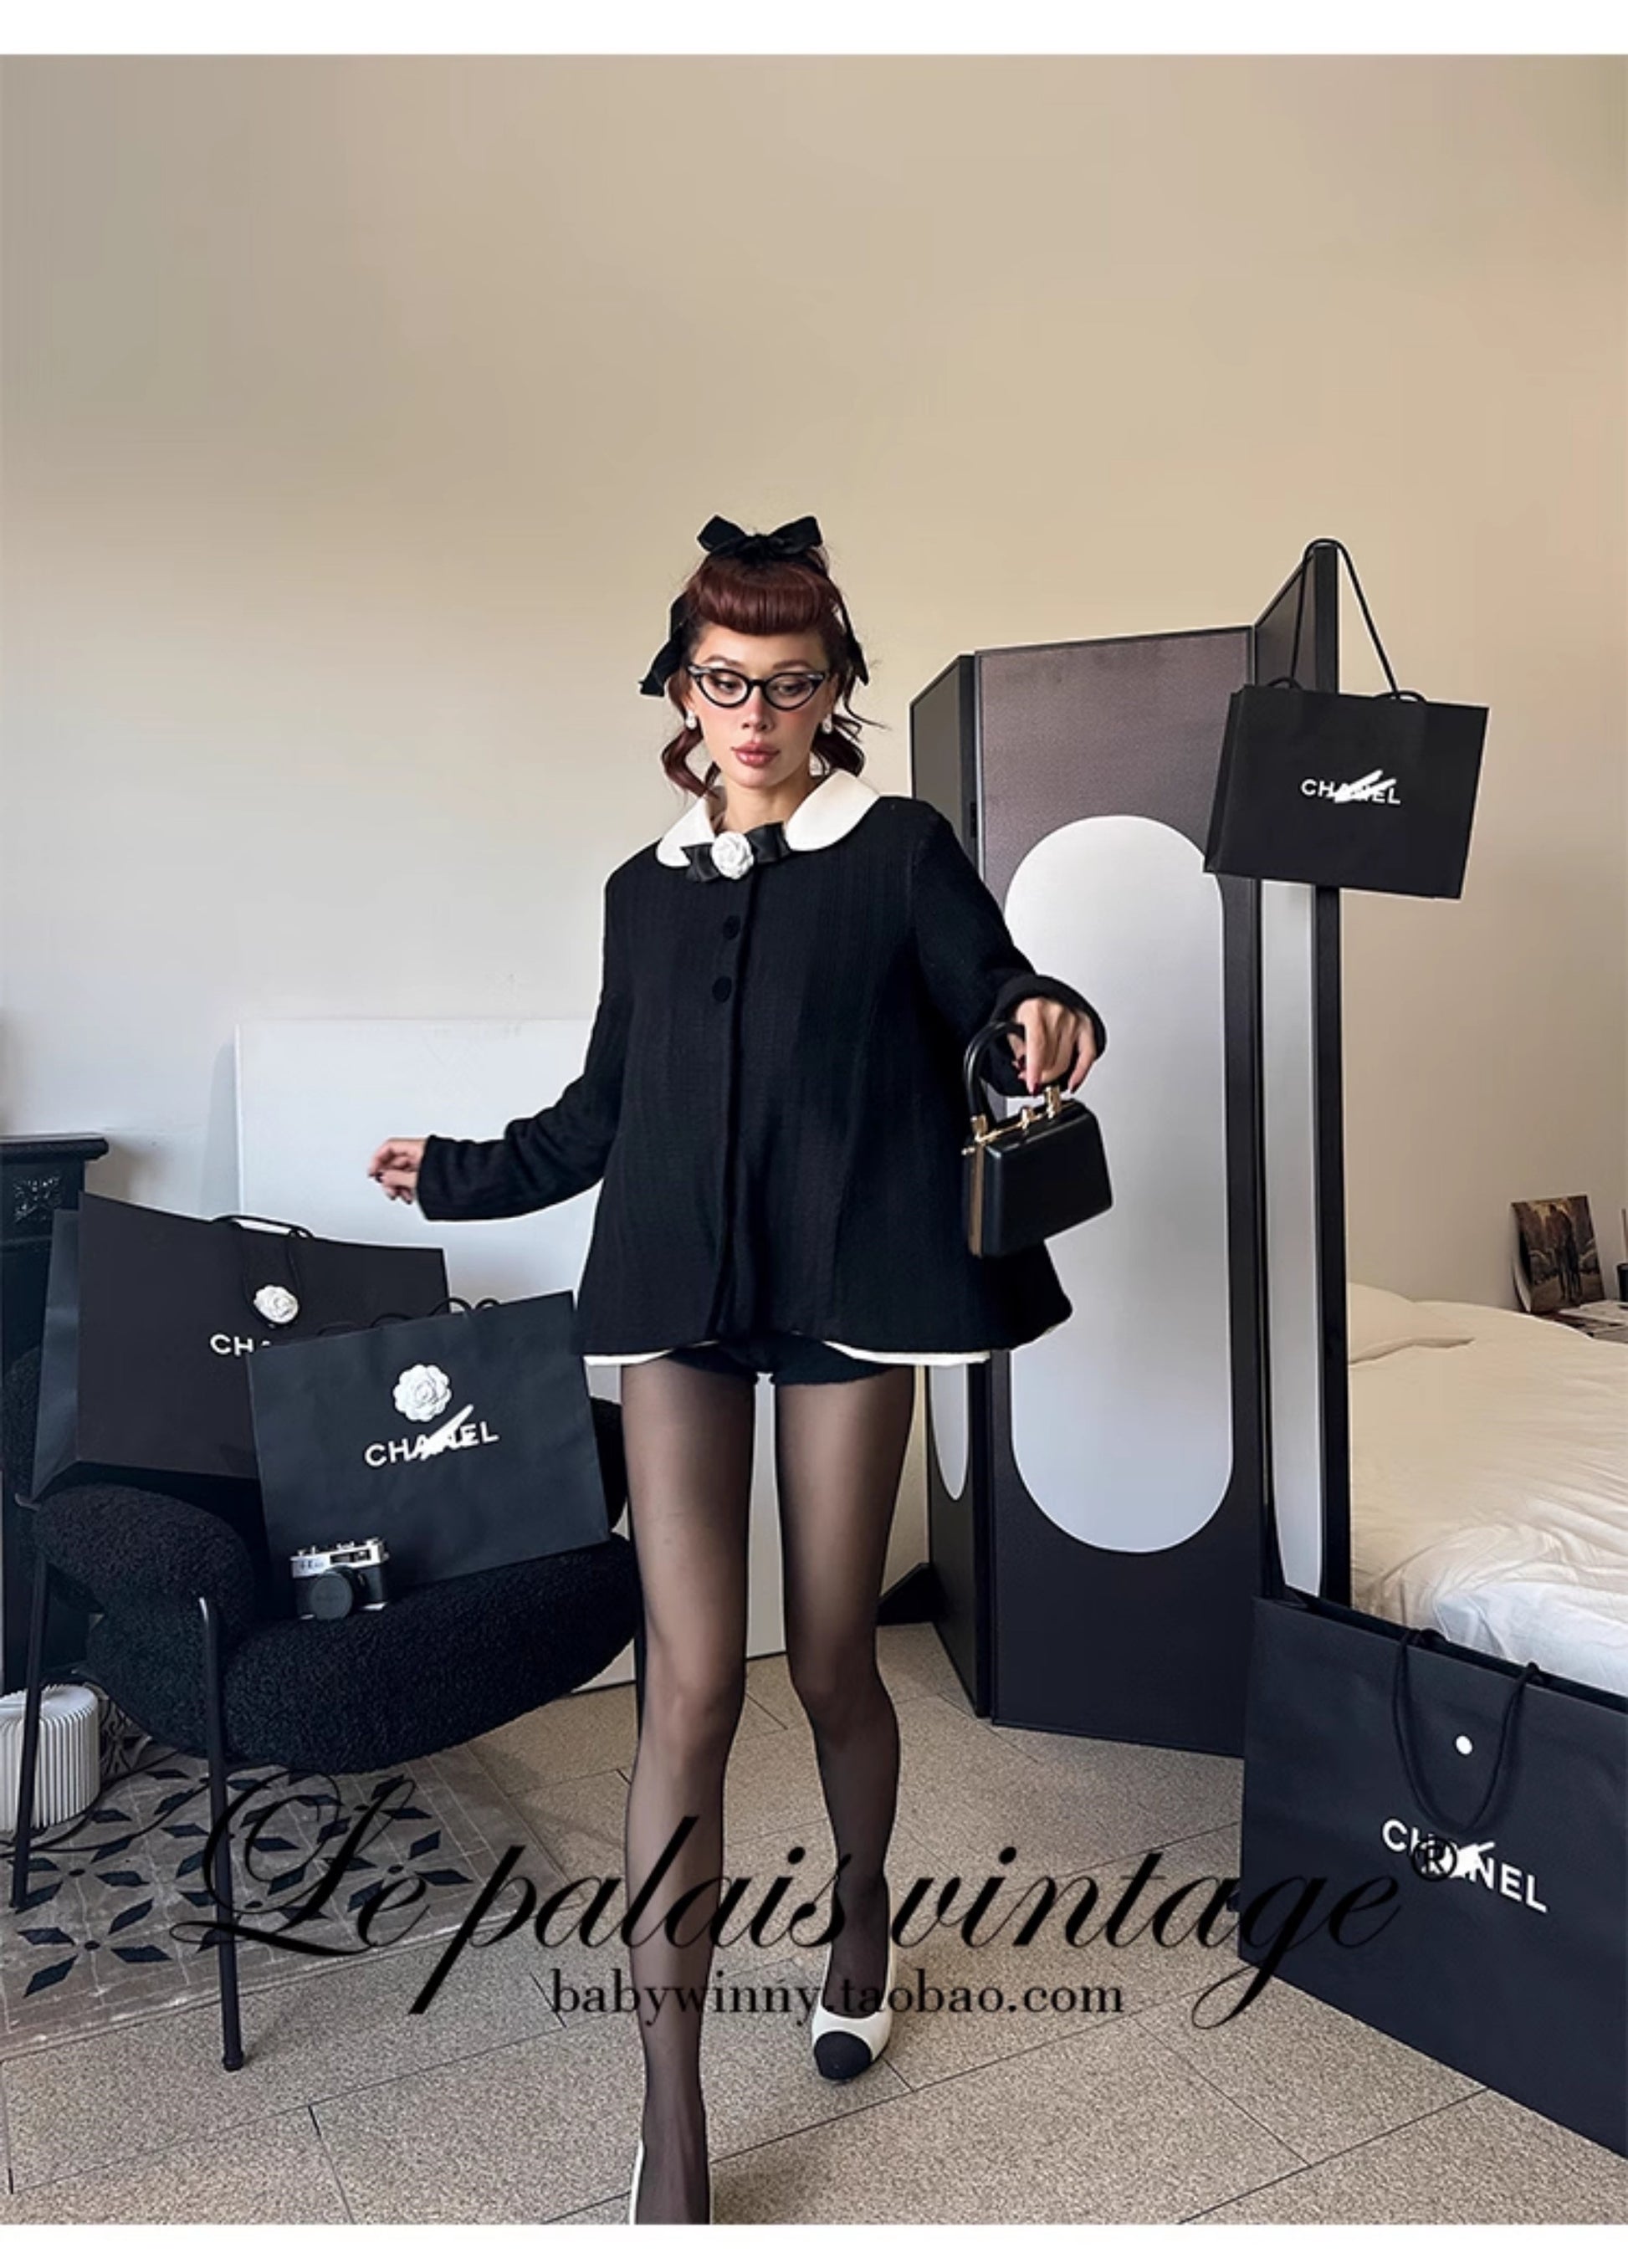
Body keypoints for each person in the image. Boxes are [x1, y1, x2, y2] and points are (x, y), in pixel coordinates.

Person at [366, 514, 1107, 2224]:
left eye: (788, 683)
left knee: (834, 1661)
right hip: (676, 1298)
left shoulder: (900, 849)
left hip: (856, 1290)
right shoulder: (640, 891)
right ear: (679, 690)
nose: (754, 716)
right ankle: (673, 2113)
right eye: (723, 682)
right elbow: (601, 1111)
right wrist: (457, 1175)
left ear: (833, 689)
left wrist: (1042, 1015)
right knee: (689, 1688)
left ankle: (861, 1911)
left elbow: (998, 993)